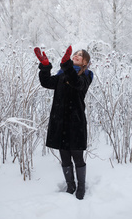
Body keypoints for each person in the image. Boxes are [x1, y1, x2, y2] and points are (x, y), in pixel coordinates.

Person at [34, 45, 93, 200]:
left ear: (85, 61)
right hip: (60, 123)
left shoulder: (86, 75)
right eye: (75, 54)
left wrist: (66, 65)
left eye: (80, 55)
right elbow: (46, 82)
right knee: (65, 157)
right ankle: (70, 185)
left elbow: (77, 83)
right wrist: (45, 66)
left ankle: (81, 187)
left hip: (75, 123)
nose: (76, 55)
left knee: (77, 157)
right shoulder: (61, 75)